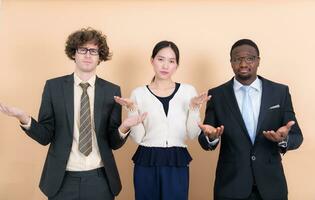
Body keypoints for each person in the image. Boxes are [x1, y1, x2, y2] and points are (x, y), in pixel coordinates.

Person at [0, 28, 138, 200]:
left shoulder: (112, 91)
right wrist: (24, 118)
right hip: (62, 180)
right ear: (74, 53)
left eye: (93, 51)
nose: (88, 55)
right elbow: (45, 136)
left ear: (100, 56)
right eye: (83, 50)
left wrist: (124, 127)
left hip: (100, 180)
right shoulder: (54, 87)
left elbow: (114, 142)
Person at [198, 39, 303, 200]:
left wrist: (283, 139)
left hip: (271, 187)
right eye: (237, 59)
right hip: (230, 187)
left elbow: (297, 136)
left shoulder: (279, 92)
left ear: (258, 61)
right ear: (231, 62)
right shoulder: (217, 95)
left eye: (249, 58)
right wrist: (211, 138)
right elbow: (205, 138)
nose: (243, 64)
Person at [114, 40, 209, 200]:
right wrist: (132, 110)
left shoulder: (188, 91)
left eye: (171, 61)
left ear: (176, 65)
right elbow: (138, 138)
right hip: (146, 160)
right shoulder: (139, 93)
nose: (165, 66)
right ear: (152, 61)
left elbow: (192, 134)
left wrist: (193, 108)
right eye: (160, 59)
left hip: (176, 159)